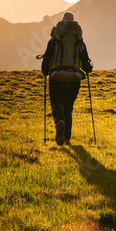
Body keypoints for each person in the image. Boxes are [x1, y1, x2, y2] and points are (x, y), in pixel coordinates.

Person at [41, 12, 93, 146]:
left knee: (56, 102)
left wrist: (45, 71)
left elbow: (47, 58)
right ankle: (67, 139)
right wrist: (87, 69)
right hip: (74, 77)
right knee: (68, 109)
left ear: (62, 23)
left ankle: (59, 122)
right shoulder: (79, 41)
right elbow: (86, 64)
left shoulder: (54, 40)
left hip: (56, 76)